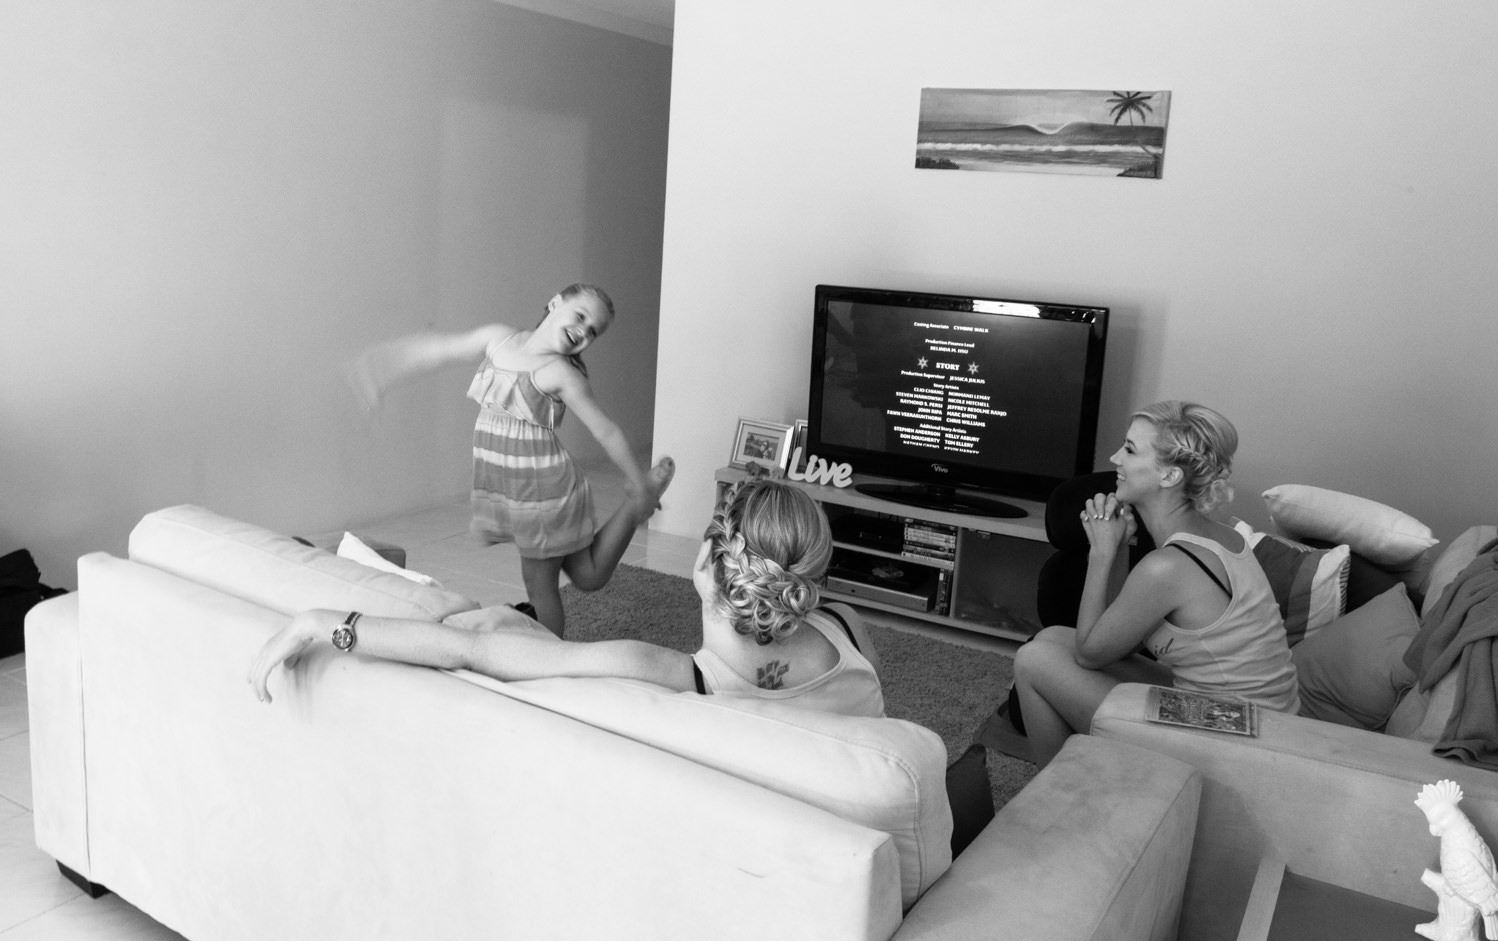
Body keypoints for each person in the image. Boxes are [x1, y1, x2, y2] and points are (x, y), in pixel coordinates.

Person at [248, 477, 885, 717]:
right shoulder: (850, 630)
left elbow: (468, 652)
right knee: (504, 620)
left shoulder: (655, 672)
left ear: (702, 564)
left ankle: (335, 569)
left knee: (488, 621)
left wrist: (323, 622)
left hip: (498, 638)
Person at [347, 283, 674, 638]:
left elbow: (606, 431)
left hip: (542, 494)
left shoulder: (561, 373)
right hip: (524, 489)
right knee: (588, 575)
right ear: (554, 303)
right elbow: (438, 349)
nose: (583, 331)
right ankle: (635, 503)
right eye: (580, 316)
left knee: (540, 586)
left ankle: (548, 662)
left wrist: (636, 479)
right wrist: (380, 369)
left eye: (592, 331)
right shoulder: (499, 339)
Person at [1010, 400, 1299, 764]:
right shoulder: (1224, 536)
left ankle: (1060, 800)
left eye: (1130, 450)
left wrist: (1100, 553)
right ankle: (1082, 779)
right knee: (1051, 638)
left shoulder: (1168, 566)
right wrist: (1117, 546)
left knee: (1034, 659)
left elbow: (1089, 654)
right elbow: (1112, 638)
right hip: (1254, 720)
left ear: (1169, 476)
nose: (1115, 458)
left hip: (1235, 742)